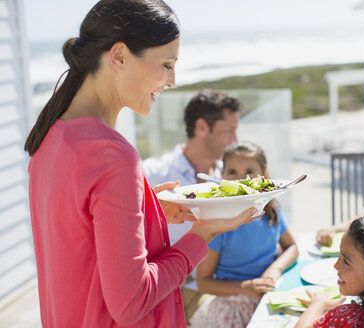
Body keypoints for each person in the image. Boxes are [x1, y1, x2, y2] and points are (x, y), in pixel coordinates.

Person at [24, 1, 259, 327]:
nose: (172, 79)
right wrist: (201, 235)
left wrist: (147, 211)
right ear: (119, 56)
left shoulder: (50, 139)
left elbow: (78, 244)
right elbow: (132, 303)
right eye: (166, 64)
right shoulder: (111, 155)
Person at [190, 141, 299, 327]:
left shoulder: (272, 211)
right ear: (222, 177)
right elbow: (203, 282)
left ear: (265, 176)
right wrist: (246, 288)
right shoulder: (219, 224)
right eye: (232, 172)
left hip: (270, 294)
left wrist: (275, 268)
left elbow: (292, 247)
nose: (241, 179)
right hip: (233, 301)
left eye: (250, 171)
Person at [143, 89, 242, 245]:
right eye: (230, 131)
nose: (235, 140)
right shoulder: (150, 174)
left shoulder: (230, 176)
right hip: (171, 268)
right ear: (202, 127)